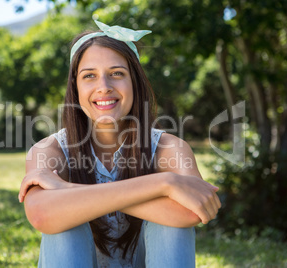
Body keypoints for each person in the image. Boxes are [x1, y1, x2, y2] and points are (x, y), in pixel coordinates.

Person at [18, 19, 221, 268]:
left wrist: (67, 192)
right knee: (63, 224)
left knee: (171, 225)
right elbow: (41, 215)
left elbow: (191, 213)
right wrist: (163, 183)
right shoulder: (49, 150)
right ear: (75, 87)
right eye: (89, 76)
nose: (104, 87)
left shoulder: (170, 149)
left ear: (134, 81)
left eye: (117, 74)